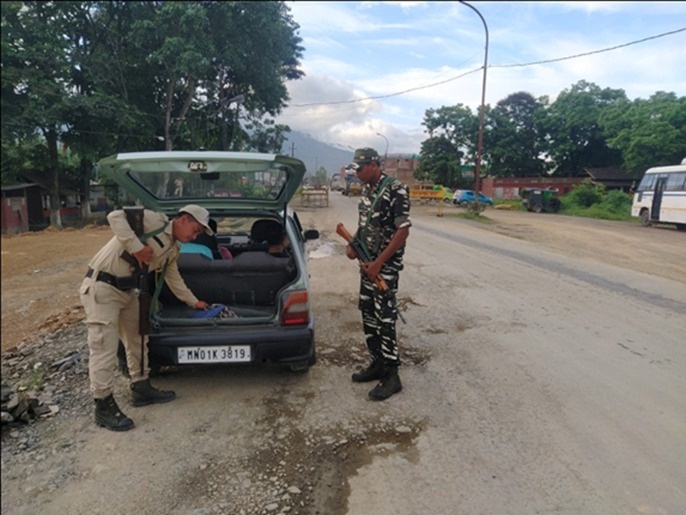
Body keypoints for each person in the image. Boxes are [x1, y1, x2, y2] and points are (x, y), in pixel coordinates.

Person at [79, 204, 212, 431]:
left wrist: (195, 302)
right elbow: (115, 216)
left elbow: (174, 278)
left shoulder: (172, 249)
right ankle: (102, 405)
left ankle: (141, 387)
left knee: (139, 339)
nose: (195, 235)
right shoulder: (153, 221)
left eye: (199, 233)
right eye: (196, 229)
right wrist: (137, 248)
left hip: (129, 291)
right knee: (104, 346)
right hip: (103, 286)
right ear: (183, 219)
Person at [345, 147, 411, 401]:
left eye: (360, 169)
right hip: (367, 264)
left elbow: (402, 231)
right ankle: (377, 363)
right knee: (368, 313)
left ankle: (392, 375)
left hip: (386, 268)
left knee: (385, 318)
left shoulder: (395, 189)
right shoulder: (366, 190)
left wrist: (379, 263)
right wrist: (353, 243)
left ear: (374, 165)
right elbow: (365, 224)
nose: (357, 173)